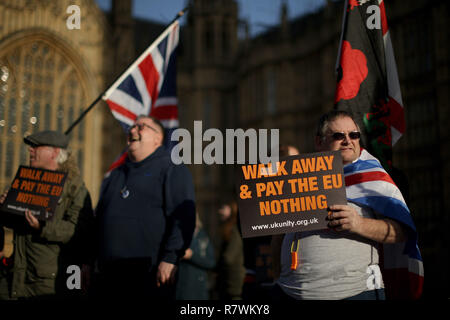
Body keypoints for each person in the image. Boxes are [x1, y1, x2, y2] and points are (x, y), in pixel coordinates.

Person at [274, 110, 413, 300]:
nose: (348, 140)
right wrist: (277, 277)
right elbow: (279, 234)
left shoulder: (373, 178)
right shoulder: (299, 178)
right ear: (319, 141)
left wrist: (358, 223)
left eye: (354, 135)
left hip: (353, 293)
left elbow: (402, 231)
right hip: (289, 292)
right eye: (338, 136)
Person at [94, 115, 196, 300]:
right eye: (132, 127)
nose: (133, 130)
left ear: (158, 138)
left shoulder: (171, 168)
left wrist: (170, 258)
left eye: (142, 127)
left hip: (149, 276)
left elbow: (183, 217)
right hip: (107, 276)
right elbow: (98, 220)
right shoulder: (115, 175)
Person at [0, 130, 95, 299]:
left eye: (37, 147)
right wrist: (5, 207)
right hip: (16, 276)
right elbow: (15, 223)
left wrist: (42, 226)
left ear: (55, 153)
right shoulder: (27, 181)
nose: (30, 150)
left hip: (49, 282)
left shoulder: (74, 187)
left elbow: (79, 231)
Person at [175, 212, 215, 300]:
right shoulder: (177, 235)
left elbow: (211, 263)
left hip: (199, 287)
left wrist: (192, 256)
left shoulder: (203, 237)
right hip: (182, 286)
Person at [215, 201, 246, 300]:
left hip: (233, 283)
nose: (220, 211)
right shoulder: (228, 230)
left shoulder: (234, 231)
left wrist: (216, 266)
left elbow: (228, 257)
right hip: (229, 282)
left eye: (224, 208)